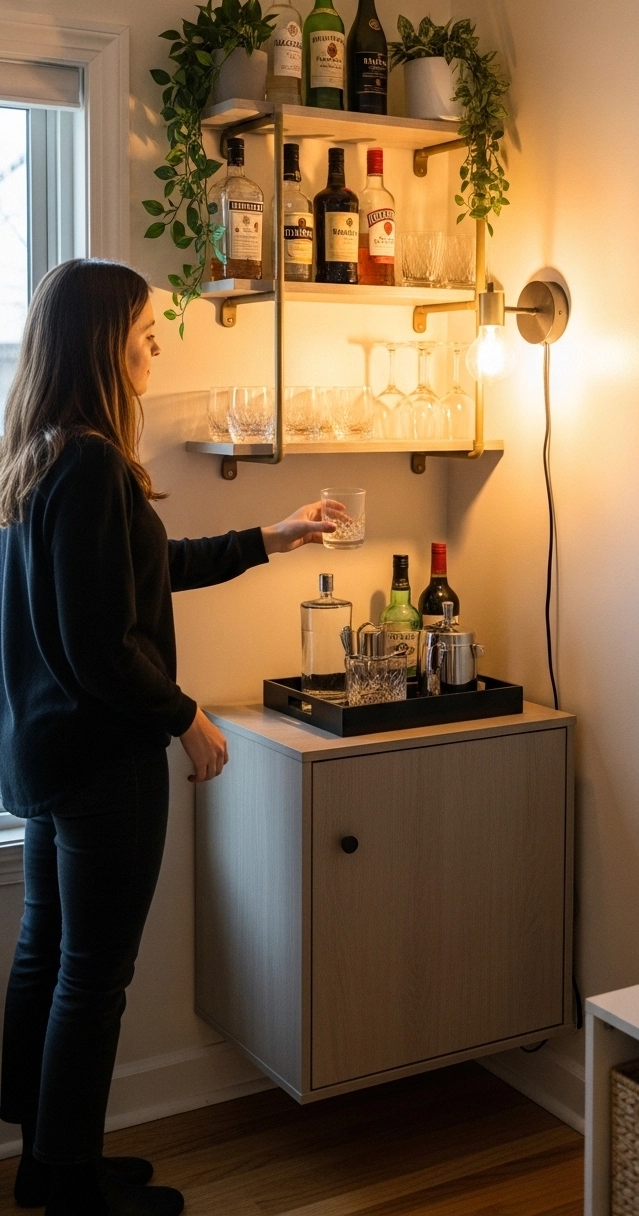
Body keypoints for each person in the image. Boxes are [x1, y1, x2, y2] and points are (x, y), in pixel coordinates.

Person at [0, 259, 337, 1216]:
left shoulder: (42, 457)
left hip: (47, 760)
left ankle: (46, 1159)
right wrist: (185, 717)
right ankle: (66, 1178)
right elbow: (103, 647)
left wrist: (271, 537)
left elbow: (140, 577)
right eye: (147, 327)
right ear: (105, 340)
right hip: (104, 766)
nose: (159, 341)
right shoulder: (94, 463)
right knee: (90, 976)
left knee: (50, 952)